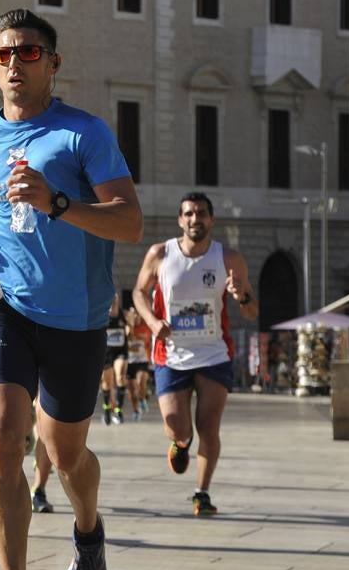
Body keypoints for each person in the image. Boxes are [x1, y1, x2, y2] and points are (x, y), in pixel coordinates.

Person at [0, 8, 142, 570]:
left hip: (76, 318)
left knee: (65, 451)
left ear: (53, 64)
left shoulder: (84, 134)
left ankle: (88, 529)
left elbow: (129, 221)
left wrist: (56, 203)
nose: (15, 64)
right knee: (2, 434)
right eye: (4, 54)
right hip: (3, 300)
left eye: (28, 53)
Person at [131, 192, 257, 516]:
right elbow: (138, 292)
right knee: (177, 425)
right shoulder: (160, 254)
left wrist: (241, 295)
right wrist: (152, 320)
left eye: (201, 213)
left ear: (211, 220)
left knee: (208, 426)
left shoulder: (229, 259)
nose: (194, 219)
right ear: (180, 220)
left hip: (214, 352)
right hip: (171, 353)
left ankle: (201, 493)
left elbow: (251, 312)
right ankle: (181, 443)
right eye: (188, 214)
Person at [99, 292, 129, 425]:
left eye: (115, 300)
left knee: (120, 376)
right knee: (107, 383)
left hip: (120, 351)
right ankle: (106, 410)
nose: (113, 302)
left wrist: (130, 327)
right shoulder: (101, 315)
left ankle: (118, 409)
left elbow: (132, 325)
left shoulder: (124, 315)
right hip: (106, 353)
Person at [124, 306, 152, 419]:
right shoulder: (127, 327)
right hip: (129, 362)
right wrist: (129, 326)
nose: (135, 317)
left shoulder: (146, 327)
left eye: (137, 314)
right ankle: (136, 410)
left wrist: (151, 359)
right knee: (131, 389)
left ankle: (143, 398)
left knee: (141, 381)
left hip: (143, 361)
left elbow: (150, 343)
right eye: (133, 315)